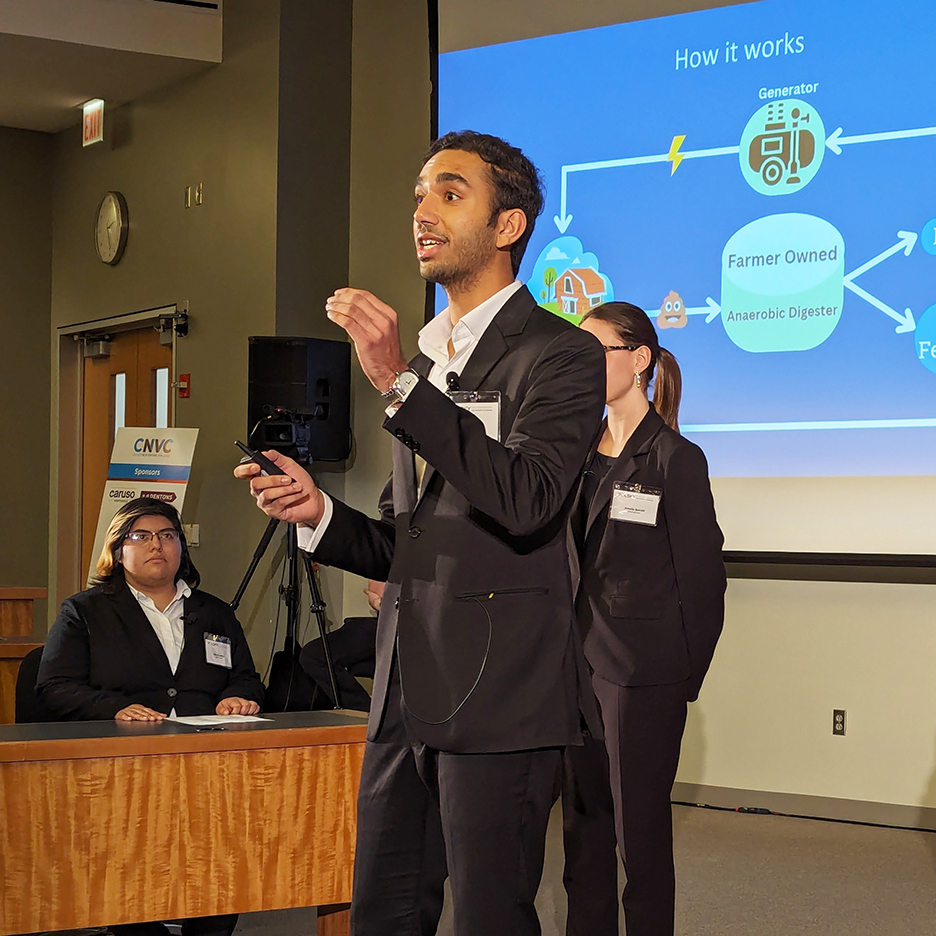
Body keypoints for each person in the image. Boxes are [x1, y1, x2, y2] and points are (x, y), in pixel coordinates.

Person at [234, 130, 605, 936]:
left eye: (450, 192)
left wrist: (399, 382)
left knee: (487, 918)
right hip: (404, 686)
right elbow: (413, 542)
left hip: (500, 693)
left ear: (507, 227)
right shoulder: (434, 363)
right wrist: (318, 514)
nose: (422, 212)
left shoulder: (560, 355)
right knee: (385, 909)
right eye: (418, 196)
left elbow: (528, 499)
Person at [560, 302, 725, 936]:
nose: (580, 365)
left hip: (644, 678)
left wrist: (679, 683)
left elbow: (704, 586)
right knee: (583, 839)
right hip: (573, 669)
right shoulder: (572, 453)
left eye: (593, 351)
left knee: (642, 844)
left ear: (640, 360)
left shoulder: (676, 459)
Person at [37, 497, 263, 936]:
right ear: (118, 549)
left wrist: (238, 697)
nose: (156, 545)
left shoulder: (215, 611)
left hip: (208, 769)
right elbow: (53, 688)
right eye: (140, 536)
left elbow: (248, 678)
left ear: (182, 547)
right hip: (124, 768)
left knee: (219, 873)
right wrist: (114, 708)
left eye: (167, 535)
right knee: (129, 882)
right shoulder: (85, 611)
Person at [299, 579, 382, 712]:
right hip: (389, 620)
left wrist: (382, 604)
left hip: (397, 623)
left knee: (315, 655)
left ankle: (366, 709)